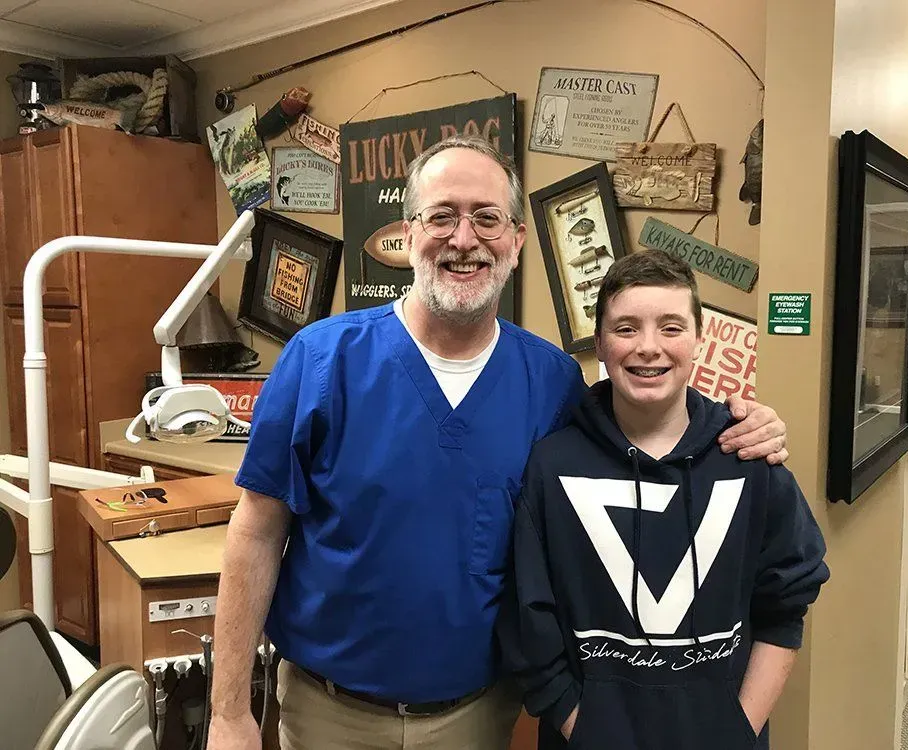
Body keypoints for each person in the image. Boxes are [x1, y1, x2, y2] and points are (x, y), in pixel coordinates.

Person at [206, 135, 790, 750]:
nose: (464, 239)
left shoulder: (553, 382)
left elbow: (652, 430)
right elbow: (257, 532)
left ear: (515, 240)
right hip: (330, 712)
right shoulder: (320, 362)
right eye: (442, 216)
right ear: (409, 234)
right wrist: (228, 711)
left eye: (486, 218)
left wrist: (741, 422)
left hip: (481, 715)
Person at [497, 251, 829, 750]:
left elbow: (786, 605)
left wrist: (738, 730)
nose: (648, 347)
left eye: (671, 327)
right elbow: (530, 622)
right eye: (626, 328)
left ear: (699, 338)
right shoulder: (551, 464)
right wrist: (584, 730)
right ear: (601, 343)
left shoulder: (749, 457)